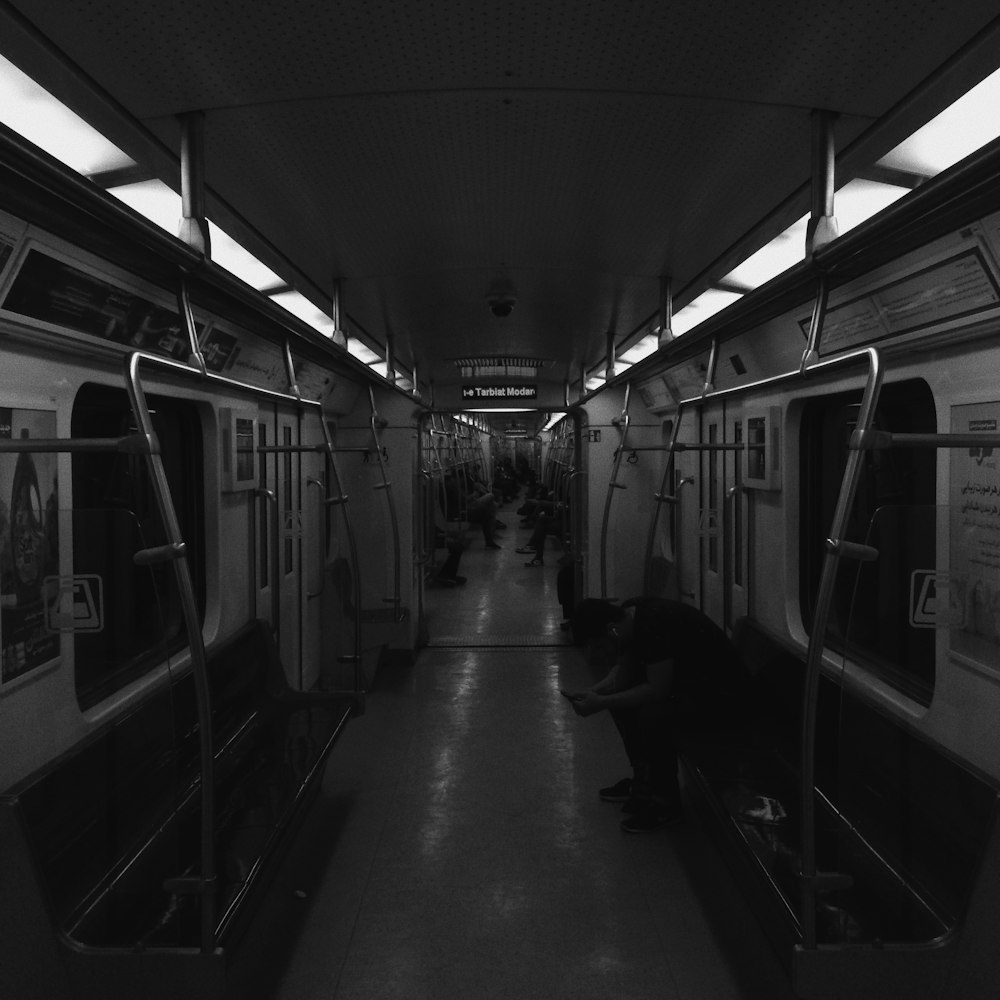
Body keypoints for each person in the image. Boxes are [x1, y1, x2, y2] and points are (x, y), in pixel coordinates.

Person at [561, 597, 749, 832]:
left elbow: (656, 689)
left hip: (720, 696)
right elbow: (623, 672)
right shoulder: (629, 617)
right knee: (624, 702)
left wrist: (600, 702)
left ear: (612, 631)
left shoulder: (654, 625)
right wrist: (593, 693)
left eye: (598, 645)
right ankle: (644, 782)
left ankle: (665, 803)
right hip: (691, 685)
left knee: (654, 714)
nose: (597, 653)